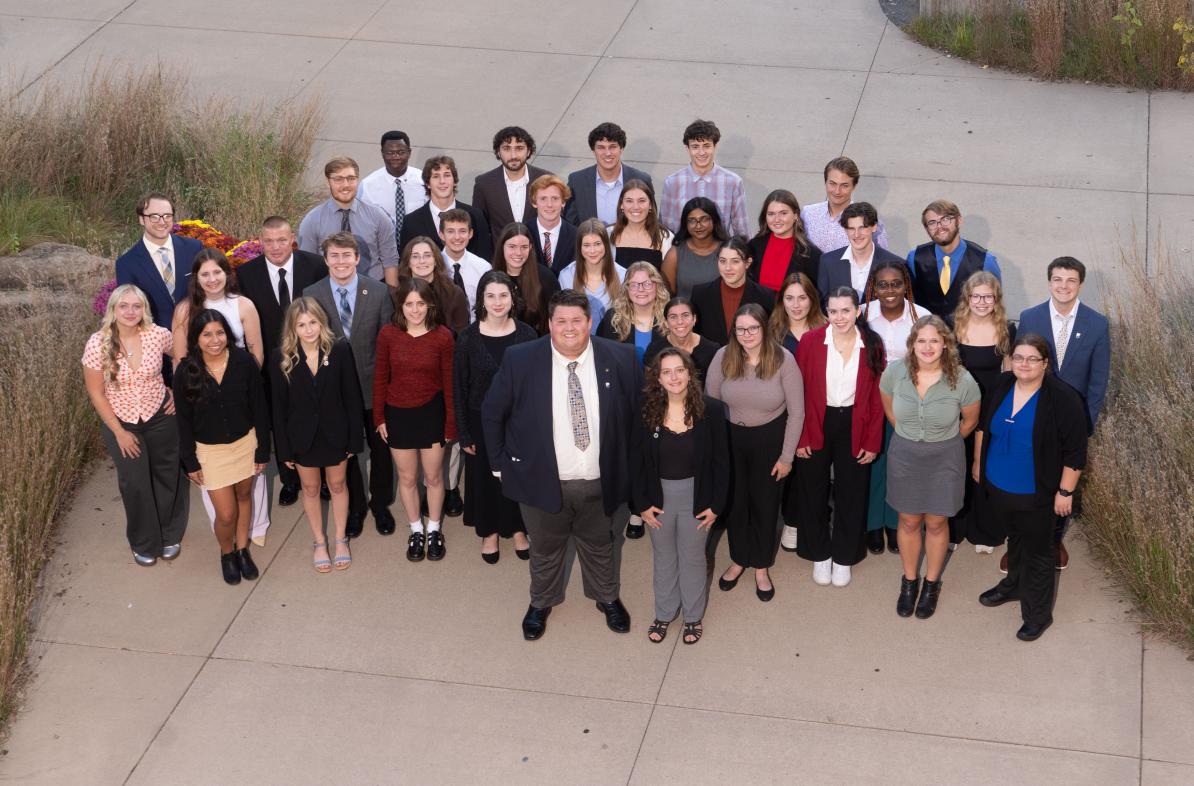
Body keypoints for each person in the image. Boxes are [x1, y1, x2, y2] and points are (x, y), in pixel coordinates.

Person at [482, 290, 641, 641]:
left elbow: (637, 419)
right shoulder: (521, 359)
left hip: (601, 481)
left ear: (590, 322)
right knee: (545, 549)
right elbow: (492, 412)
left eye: (577, 321)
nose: (569, 328)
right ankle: (541, 603)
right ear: (550, 324)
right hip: (542, 482)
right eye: (561, 321)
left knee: (601, 545)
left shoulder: (623, 357)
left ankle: (607, 597)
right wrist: (499, 465)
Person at [973, 333, 1088, 642]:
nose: (1024, 364)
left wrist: (1065, 492)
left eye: (1032, 359)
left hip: (1036, 492)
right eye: (1019, 358)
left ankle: (1037, 614)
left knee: (1039, 551)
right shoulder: (1002, 384)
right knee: (1015, 539)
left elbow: (1076, 451)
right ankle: (1013, 586)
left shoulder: (1063, 399)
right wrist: (977, 465)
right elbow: (985, 426)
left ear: (1045, 363)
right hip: (999, 485)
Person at [879, 315, 981, 619]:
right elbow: (890, 410)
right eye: (921, 340)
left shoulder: (963, 379)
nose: (928, 347)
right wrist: (913, 437)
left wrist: (942, 441)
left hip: (945, 457)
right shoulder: (894, 373)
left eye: (935, 340)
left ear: (945, 344)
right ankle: (909, 581)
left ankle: (932, 583)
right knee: (909, 520)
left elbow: (970, 421)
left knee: (936, 523)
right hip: (905, 455)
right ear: (912, 344)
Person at [82, 285, 188, 566]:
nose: (130, 312)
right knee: (135, 482)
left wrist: (176, 388)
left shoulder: (157, 335)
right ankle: (143, 541)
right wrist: (119, 432)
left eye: (136, 306)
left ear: (144, 309)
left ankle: (169, 534)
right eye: (123, 306)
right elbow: (96, 392)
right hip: (121, 420)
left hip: (160, 415)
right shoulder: (98, 343)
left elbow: (181, 355)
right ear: (113, 310)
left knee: (167, 474)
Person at [170, 248, 270, 547]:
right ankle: (226, 542)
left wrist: (235, 389)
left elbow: (257, 353)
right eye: (205, 274)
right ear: (196, 279)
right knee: (222, 499)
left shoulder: (244, 305)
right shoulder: (185, 311)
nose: (212, 279)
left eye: (218, 272)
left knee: (249, 485)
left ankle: (255, 529)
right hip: (205, 406)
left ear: (227, 274)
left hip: (239, 401)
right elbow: (180, 360)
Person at [1016, 256, 1110, 571]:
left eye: (1071, 280)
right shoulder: (1030, 317)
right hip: (1034, 416)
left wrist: (1085, 424)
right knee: (1028, 480)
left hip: (1072, 422)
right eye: (1058, 279)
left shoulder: (1097, 324)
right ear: (1049, 282)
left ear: (1080, 284)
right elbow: (1020, 368)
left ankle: (1054, 540)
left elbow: (1098, 382)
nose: (1064, 286)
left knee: (1062, 485)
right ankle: (1019, 542)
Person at [706, 304, 804, 602]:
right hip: (731, 439)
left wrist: (787, 457)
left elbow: (797, 413)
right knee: (735, 505)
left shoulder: (783, 360)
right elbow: (710, 406)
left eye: (753, 328)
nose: (747, 334)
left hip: (769, 440)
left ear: (764, 328)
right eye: (741, 329)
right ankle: (738, 560)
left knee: (765, 504)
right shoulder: (723, 356)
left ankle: (761, 566)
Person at [631, 348, 729, 645]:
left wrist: (715, 506)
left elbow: (722, 462)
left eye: (679, 370)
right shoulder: (644, 409)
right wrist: (641, 505)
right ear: (657, 378)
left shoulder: (710, 410)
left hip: (696, 497)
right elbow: (635, 461)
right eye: (666, 371)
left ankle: (692, 616)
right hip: (657, 498)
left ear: (689, 373)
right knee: (663, 558)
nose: (674, 377)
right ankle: (664, 612)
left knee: (692, 557)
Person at [303, 232, 396, 538]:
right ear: (326, 259)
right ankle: (356, 507)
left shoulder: (379, 292)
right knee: (348, 452)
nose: (340, 262)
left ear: (358, 258)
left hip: (372, 386)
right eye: (334, 256)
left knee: (381, 451)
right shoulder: (311, 293)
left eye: (347, 256)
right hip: (334, 391)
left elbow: (386, 344)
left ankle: (380, 504)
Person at [793, 287, 886, 587]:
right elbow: (799, 392)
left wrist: (872, 441)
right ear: (826, 313)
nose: (839, 317)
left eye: (846, 310)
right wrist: (801, 436)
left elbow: (876, 398)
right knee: (813, 489)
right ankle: (819, 552)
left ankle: (845, 556)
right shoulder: (810, 342)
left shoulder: (871, 344)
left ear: (857, 311)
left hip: (854, 422)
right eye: (833, 311)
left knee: (852, 490)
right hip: (816, 420)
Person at [235, 216, 328, 507]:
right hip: (270, 364)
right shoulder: (247, 274)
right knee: (280, 420)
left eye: (282, 240)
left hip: (310, 356)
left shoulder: (313, 265)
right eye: (269, 241)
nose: (276, 247)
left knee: (316, 415)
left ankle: (321, 476)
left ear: (293, 241)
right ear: (260, 242)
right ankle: (290, 481)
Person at [173, 310, 271, 585]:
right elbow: (182, 420)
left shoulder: (244, 362)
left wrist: (263, 449)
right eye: (207, 334)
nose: (215, 340)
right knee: (226, 513)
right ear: (196, 338)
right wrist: (189, 461)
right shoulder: (186, 370)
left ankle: (242, 550)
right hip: (210, 452)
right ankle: (226, 553)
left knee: (244, 497)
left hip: (245, 445)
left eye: (219, 333)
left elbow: (260, 408)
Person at [270, 298, 364, 572]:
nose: (308, 329)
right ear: (293, 328)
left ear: (321, 322)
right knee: (310, 489)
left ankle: (339, 538)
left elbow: (352, 398)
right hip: (301, 437)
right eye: (301, 324)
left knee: (337, 486)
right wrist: (283, 449)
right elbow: (279, 407)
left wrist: (353, 439)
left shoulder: (339, 350)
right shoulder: (282, 357)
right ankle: (319, 542)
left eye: (313, 322)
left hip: (336, 434)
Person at [452, 271, 536, 562]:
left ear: (513, 298)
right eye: (491, 296)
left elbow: (535, 384)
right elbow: (459, 387)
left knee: (515, 475)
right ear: (481, 300)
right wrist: (463, 432)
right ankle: (488, 532)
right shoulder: (468, 337)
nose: (497, 302)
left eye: (503, 295)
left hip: (517, 421)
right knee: (484, 476)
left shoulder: (526, 334)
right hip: (479, 420)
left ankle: (517, 529)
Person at [373, 277, 457, 563]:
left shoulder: (443, 336)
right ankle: (416, 529)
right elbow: (380, 378)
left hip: (432, 414)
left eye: (421, 303)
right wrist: (379, 417)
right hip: (397, 414)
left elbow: (449, 383)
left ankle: (434, 528)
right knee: (407, 478)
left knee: (433, 477)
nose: (415, 310)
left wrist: (450, 424)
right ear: (401, 306)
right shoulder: (388, 334)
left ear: (430, 304)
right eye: (409, 304)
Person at [861, 260, 925, 555]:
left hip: (907, 399)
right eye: (883, 284)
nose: (890, 290)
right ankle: (873, 524)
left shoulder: (921, 317)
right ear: (874, 287)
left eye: (896, 283)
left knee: (900, 465)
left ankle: (892, 522)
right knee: (874, 463)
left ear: (906, 285)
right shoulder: (863, 314)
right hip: (868, 399)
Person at [950, 271, 1015, 554]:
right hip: (958, 404)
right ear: (968, 297)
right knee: (957, 464)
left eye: (988, 296)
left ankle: (985, 530)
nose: (982, 301)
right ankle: (955, 527)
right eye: (976, 296)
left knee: (985, 467)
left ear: (996, 299)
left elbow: (1011, 373)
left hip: (991, 404)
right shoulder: (954, 327)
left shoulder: (1006, 330)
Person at [114, 192, 202, 383]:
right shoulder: (127, 264)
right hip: (157, 357)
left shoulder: (194, 249)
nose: (161, 221)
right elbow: (130, 316)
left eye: (167, 216)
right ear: (141, 219)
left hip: (198, 344)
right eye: (154, 216)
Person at [768, 272, 827, 552]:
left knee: (813, 469)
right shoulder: (773, 332)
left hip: (818, 409)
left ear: (812, 299)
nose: (796, 304)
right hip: (784, 411)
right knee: (787, 466)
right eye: (789, 298)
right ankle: (790, 520)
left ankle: (812, 518)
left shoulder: (827, 328)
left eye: (802, 297)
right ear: (782, 301)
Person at [298, 156, 400, 286]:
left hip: (373, 289)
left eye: (351, 178)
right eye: (338, 179)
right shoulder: (312, 221)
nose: (345, 185)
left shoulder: (378, 217)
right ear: (328, 182)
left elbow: (390, 260)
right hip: (330, 292)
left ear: (357, 180)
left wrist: (391, 296)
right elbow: (307, 265)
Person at [907, 199, 1002, 316]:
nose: (940, 226)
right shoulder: (915, 258)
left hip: (968, 332)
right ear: (927, 228)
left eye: (946, 219)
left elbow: (995, 305)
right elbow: (909, 301)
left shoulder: (985, 261)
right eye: (932, 222)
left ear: (959, 220)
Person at [659, 119, 749, 237]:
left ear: (715, 146)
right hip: (682, 252)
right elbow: (665, 230)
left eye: (706, 146)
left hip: (720, 253)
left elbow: (742, 230)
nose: (701, 152)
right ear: (687, 149)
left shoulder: (733, 182)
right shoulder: (672, 183)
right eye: (695, 147)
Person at [471, 126, 552, 249]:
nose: (513, 155)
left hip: (539, 257)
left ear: (529, 151)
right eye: (506, 149)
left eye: (519, 148)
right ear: (498, 152)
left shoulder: (546, 179)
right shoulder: (484, 184)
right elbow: (479, 228)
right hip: (500, 260)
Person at [399, 155, 492, 260]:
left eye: (447, 175)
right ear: (427, 183)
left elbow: (486, 259)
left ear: (454, 180)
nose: (442, 181)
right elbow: (405, 264)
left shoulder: (475, 216)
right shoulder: (411, 222)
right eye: (436, 176)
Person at [690, 236, 775, 347]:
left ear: (748, 263)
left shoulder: (766, 296)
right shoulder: (700, 294)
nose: (728, 268)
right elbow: (694, 336)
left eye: (735, 261)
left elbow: (770, 336)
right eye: (723, 261)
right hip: (709, 362)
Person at [564, 122, 653, 226]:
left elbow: (651, 221)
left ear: (621, 149)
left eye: (612, 146)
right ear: (593, 151)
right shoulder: (577, 181)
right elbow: (570, 224)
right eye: (601, 147)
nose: (607, 153)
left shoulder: (642, 179)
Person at [818, 202, 907, 303]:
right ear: (845, 230)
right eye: (851, 228)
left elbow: (906, 305)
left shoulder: (897, 264)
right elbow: (822, 304)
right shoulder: (828, 261)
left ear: (874, 227)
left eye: (862, 228)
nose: (857, 234)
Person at [799, 157, 890, 253]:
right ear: (825, 182)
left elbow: (882, 260)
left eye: (844, 185)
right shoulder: (808, 214)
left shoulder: (870, 221)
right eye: (832, 184)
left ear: (854, 186)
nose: (837, 191)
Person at [491, 222, 560, 335]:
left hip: (537, 345)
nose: (518, 253)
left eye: (524, 247)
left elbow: (557, 317)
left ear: (531, 247)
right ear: (502, 246)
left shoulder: (546, 277)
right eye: (512, 246)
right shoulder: (490, 279)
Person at [595, 261, 668, 367]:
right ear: (627, 288)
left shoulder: (670, 317)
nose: (641, 289)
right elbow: (602, 357)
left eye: (647, 284)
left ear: (657, 286)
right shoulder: (612, 319)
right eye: (634, 285)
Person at [747, 189, 821, 293]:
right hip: (758, 308)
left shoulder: (811, 254)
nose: (777, 219)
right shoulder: (753, 246)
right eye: (771, 214)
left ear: (795, 215)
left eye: (783, 213)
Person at [557, 219, 626, 329]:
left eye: (597, 244)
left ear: (606, 245)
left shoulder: (623, 275)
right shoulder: (567, 276)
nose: (592, 251)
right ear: (579, 247)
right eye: (586, 245)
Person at [358, 130, 427, 240]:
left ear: (409, 152)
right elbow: (360, 223)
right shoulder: (367, 186)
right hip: (381, 250)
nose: (395, 157)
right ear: (382, 153)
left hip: (418, 250)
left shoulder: (424, 181)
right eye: (390, 153)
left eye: (401, 152)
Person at [398, 236, 470, 334]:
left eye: (427, 255)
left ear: (436, 260)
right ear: (408, 263)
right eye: (415, 256)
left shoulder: (454, 293)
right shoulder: (397, 294)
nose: (422, 261)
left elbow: (463, 335)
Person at [644, 296, 721, 383]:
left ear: (694, 319)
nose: (680, 321)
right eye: (673, 317)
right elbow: (651, 386)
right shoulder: (654, 349)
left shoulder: (712, 350)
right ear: (666, 322)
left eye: (685, 315)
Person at [661, 197, 727, 298]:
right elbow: (667, 295)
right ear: (685, 224)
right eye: (692, 220)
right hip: (684, 312)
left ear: (714, 220)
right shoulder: (675, 254)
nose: (698, 225)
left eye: (704, 219)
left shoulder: (727, 250)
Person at [609, 179, 673, 272]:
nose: (636, 207)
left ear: (650, 204)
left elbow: (669, 282)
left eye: (641, 201)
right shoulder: (608, 234)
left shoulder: (665, 238)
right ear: (622, 205)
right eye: (629, 201)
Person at [439, 208, 492, 312]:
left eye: (462, 231)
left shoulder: (483, 268)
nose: (457, 237)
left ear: (470, 233)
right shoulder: (433, 265)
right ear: (441, 234)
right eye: (450, 231)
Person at [528, 174, 577, 275]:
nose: (549, 204)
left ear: (563, 202)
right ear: (534, 202)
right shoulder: (523, 232)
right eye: (543, 199)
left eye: (555, 198)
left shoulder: (576, 235)